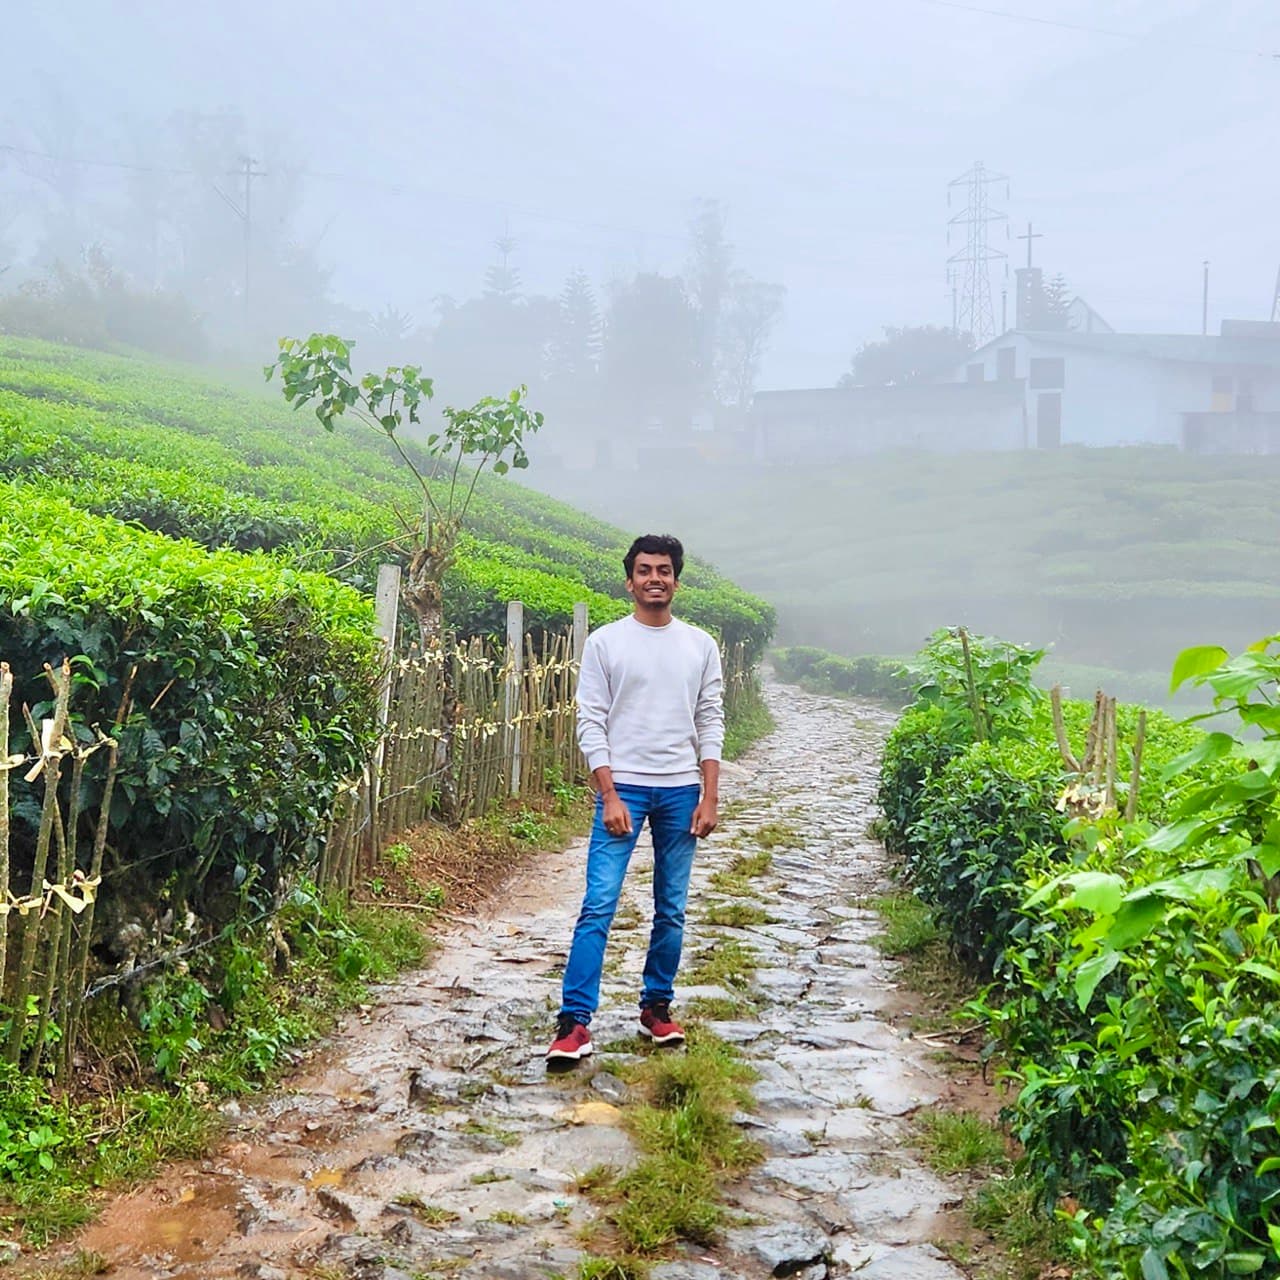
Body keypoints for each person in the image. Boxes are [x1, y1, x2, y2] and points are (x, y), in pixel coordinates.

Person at [546, 533, 723, 1065]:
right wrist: (610, 792)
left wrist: (710, 795)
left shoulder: (700, 646)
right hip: (622, 792)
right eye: (644, 570)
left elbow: (710, 719)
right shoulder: (606, 642)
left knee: (671, 908)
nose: (654, 578)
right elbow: (590, 721)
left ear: (676, 580)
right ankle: (575, 1022)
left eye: (664, 570)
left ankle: (656, 1008)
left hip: (680, 790)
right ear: (629, 581)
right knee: (598, 904)